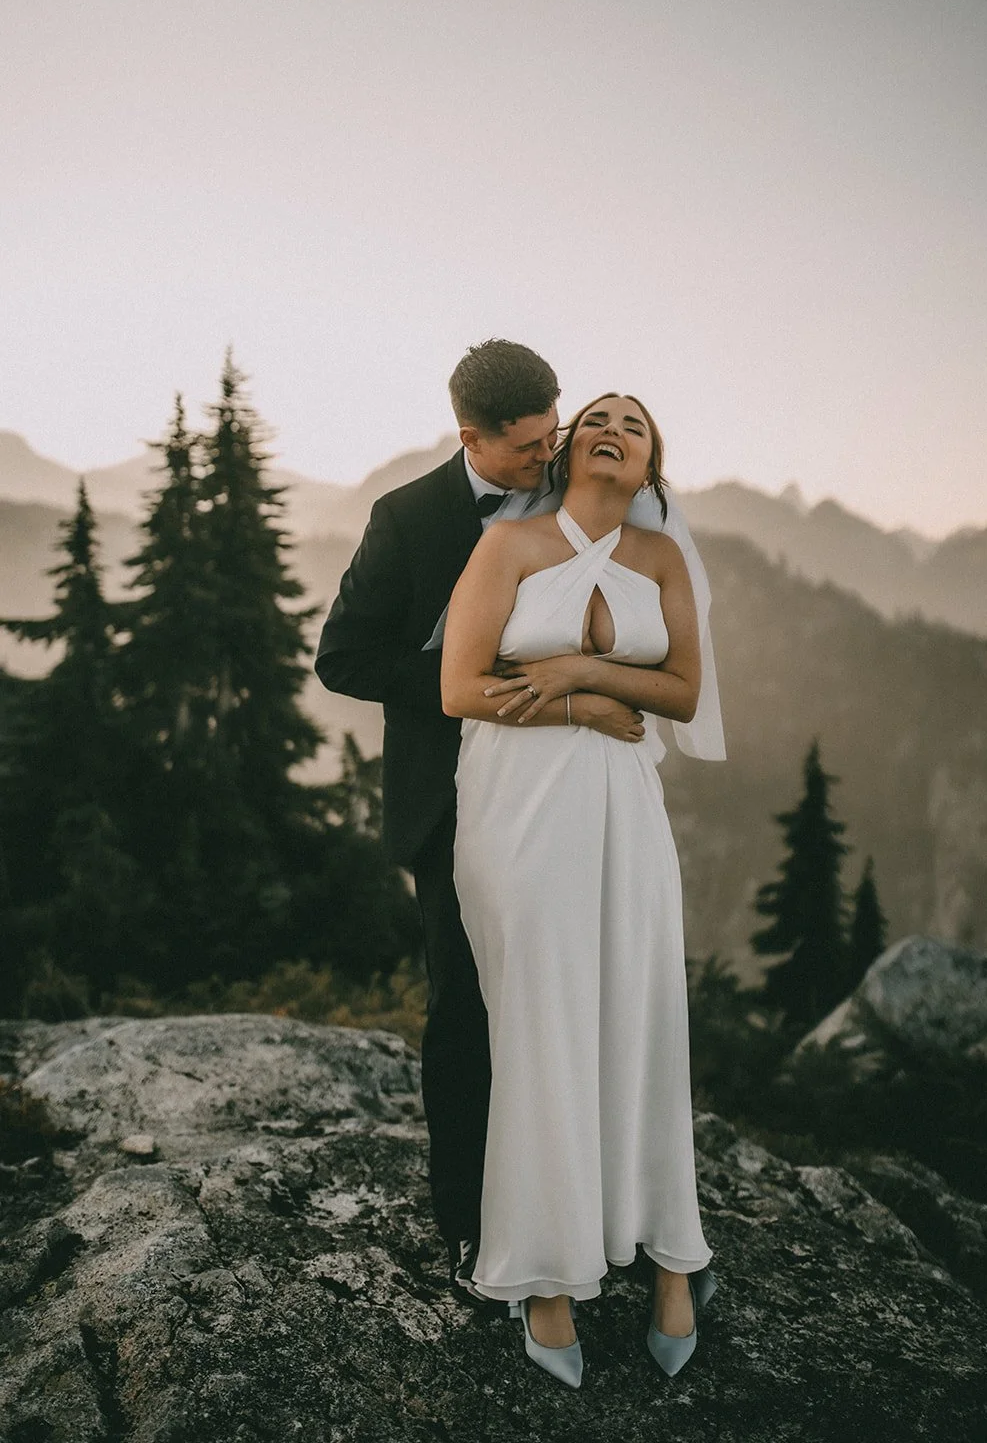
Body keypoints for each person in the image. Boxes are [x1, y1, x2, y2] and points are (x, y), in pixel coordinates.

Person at [314, 341, 642, 1301]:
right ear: (472, 438)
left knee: (575, 1002)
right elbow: (343, 659)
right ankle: (467, 1224)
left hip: (566, 791)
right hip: (454, 803)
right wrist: (469, 681)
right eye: (531, 447)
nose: (551, 459)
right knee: (466, 1012)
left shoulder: (574, 492)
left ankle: (584, 1210)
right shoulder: (406, 519)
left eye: (557, 436)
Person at [440, 392, 726, 1385]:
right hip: (519, 805)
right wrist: (574, 702)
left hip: (622, 809)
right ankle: (548, 1279)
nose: (611, 422)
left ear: (649, 465)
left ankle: (670, 1261)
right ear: (566, 449)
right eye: (595, 413)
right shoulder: (508, 546)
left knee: (638, 1019)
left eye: (634, 421)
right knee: (542, 1025)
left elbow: (682, 691)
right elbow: (459, 687)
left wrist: (581, 673)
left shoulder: (662, 561)